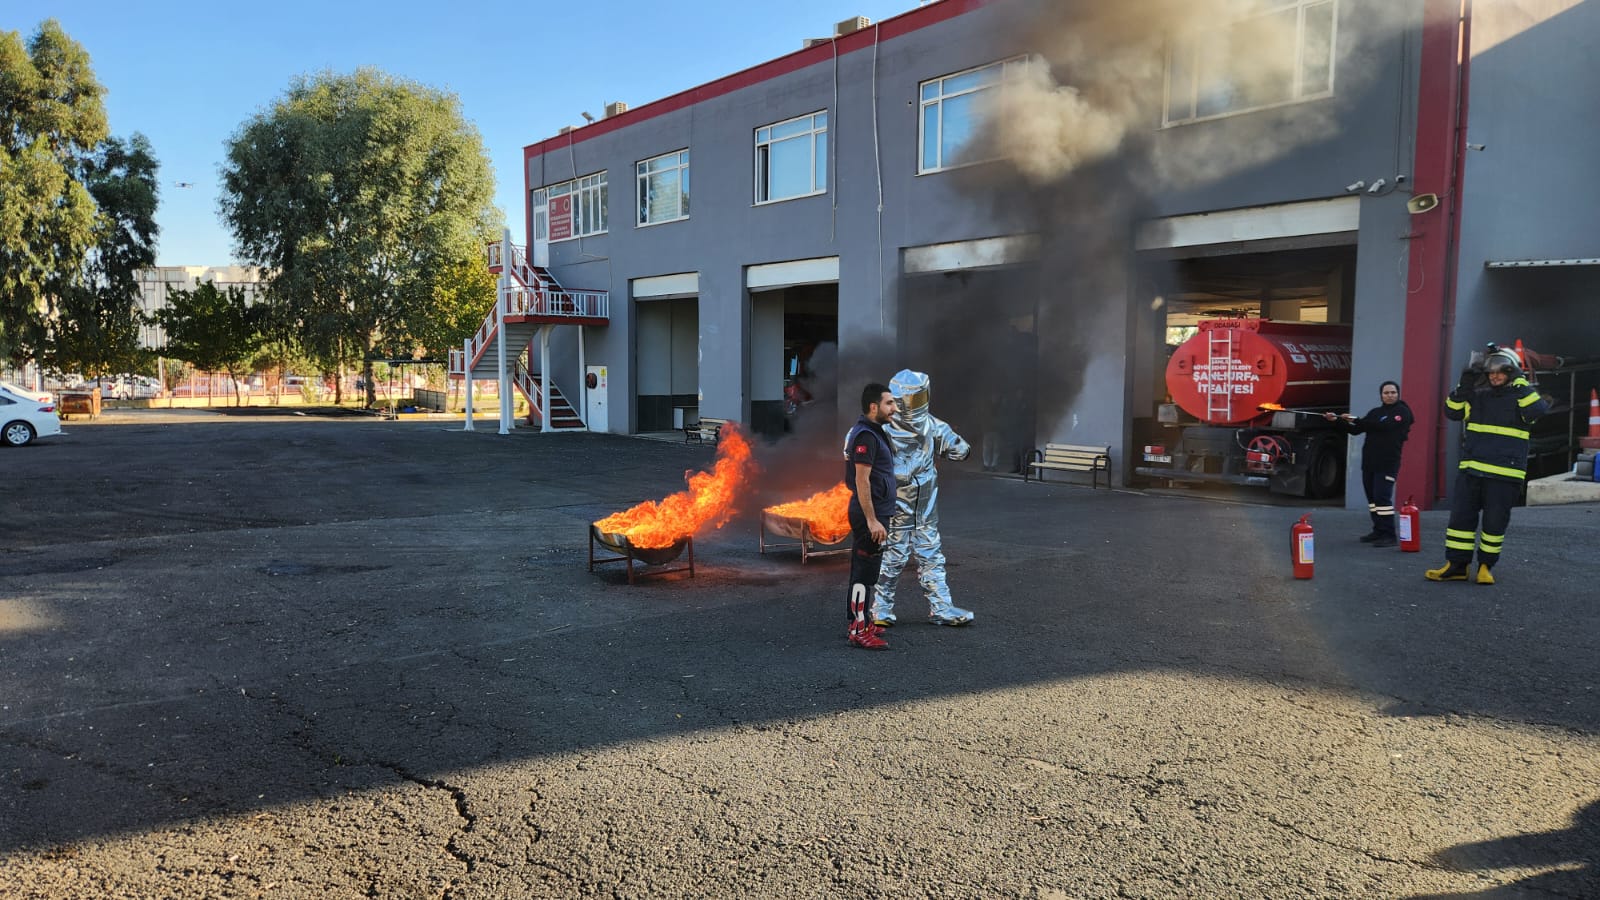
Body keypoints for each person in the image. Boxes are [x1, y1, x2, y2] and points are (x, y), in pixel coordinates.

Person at [1426, 348, 1549, 584]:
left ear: (1511, 372)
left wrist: (1520, 380)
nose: (1494, 376)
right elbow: (1452, 411)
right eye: (1491, 372)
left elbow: (1538, 410)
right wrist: (1465, 383)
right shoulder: (1477, 397)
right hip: (1472, 471)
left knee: (1494, 523)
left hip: (1504, 474)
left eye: (1501, 372)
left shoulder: (1522, 398)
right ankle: (1457, 566)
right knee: (1460, 521)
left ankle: (1485, 567)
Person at [871, 369, 976, 628]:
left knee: (930, 559)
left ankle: (940, 608)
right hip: (898, 510)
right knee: (894, 560)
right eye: (912, 399)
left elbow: (960, 449)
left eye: (918, 398)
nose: (915, 404)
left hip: (923, 510)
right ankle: (881, 609)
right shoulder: (884, 428)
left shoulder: (928, 425)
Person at [1323, 380, 1413, 547]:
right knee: (1372, 500)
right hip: (1370, 463)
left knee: (1382, 497)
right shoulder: (1375, 412)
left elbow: (1385, 426)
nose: (1390, 395)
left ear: (1398, 394)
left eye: (1393, 392)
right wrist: (1337, 420)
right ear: (1381, 395)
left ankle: (1389, 535)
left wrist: (1357, 420)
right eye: (1386, 393)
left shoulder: (1402, 412)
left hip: (1387, 463)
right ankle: (1378, 530)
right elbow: (1356, 430)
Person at [843, 382, 897, 650]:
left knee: (867, 571)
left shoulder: (875, 432)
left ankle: (861, 620)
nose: (894, 408)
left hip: (875, 511)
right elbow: (861, 480)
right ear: (874, 407)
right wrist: (872, 520)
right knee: (864, 574)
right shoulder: (866, 436)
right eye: (890, 403)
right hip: (869, 514)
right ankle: (858, 629)